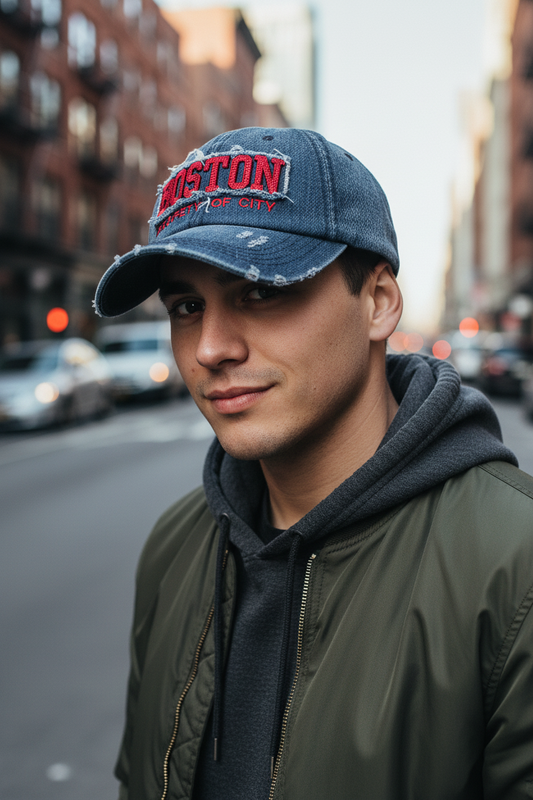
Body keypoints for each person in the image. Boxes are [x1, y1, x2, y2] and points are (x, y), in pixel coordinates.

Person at [94, 127, 533, 800]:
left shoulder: (513, 562)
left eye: (260, 291)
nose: (209, 348)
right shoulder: (175, 546)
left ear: (378, 302)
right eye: (186, 306)